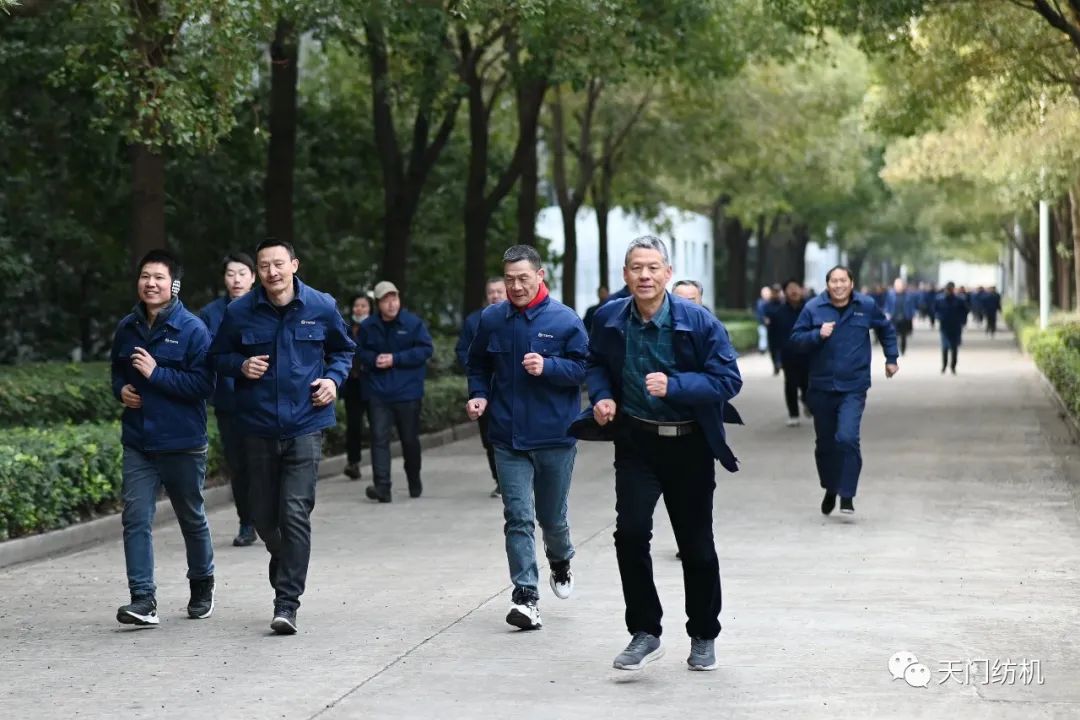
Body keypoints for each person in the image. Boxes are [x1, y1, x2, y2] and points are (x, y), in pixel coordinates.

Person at [587, 235, 743, 673]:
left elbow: (728, 379)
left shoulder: (698, 321)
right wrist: (602, 396)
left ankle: (703, 634)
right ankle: (645, 631)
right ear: (625, 274)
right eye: (637, 268)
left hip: (689, 444)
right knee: (631, 534)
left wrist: (675, 386)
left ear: (668, 273)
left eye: (653, 268)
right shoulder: (609, 318)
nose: (645, 276)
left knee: (696, 546)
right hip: (637, 441)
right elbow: (594, 362)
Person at [210, 238, 355, 635]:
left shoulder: (321, 305)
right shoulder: (240, 312)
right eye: (264, 266)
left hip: (306, 423)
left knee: (294, 513)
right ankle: (286, 557)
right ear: (258, 271)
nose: (272, 272)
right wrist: (241, 365)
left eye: (279, 264)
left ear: (294, 265)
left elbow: (344, 351)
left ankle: (286, 603)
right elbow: (217, 356)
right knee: (263, 517)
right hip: (256, 426)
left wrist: (333, 380)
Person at [465, 245, 588, 631]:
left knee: (551, 518)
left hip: (555, 436)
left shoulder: (565, 320)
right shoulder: (492, 319)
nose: (516, 286)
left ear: (540, 275)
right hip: (507, 437)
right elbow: (477, 363)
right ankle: (526, 596)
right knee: (517, 517)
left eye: (523, 278)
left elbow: (585, 369)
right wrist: (479, 394)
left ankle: (561, 559)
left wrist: (549, 366)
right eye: (509, 279)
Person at [110, 249, 216, 626]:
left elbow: (204, 385)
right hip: (138, 441)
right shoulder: (127, 327)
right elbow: (117, 372)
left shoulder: (192, 329)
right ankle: (143, 599)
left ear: (173, 285)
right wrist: (121, 390)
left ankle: (202, 584)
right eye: (145, 277)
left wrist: (157, 374)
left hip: (182, 441)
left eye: (158, 277)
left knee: (191, 516)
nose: (150, 284)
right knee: (135, 518)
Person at [790, 266, 898, 517]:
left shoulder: (866, 305)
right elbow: (795, 340)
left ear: (851, 283)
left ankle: (847, 493)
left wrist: (891, 358)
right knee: (825, 444)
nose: (838, 285)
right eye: (834, 281)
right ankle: (831, 487)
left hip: (854, 386)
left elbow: (886, 329)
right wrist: (817, 334)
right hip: (821, 386)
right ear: (827, 285)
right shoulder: (813, 308)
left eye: (843, 281)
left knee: (847, 438)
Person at [199, 251, 258, 547]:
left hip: (264, 400)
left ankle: (274, 518)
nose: (236, 279)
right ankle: (247, 522)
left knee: (268, 463)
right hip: (229, 402)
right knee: (239, 465)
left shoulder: (266, 307)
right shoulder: (210, 314)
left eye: (242, 273)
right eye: (231, 273)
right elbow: (206, 355)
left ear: (253, 277)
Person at [357, 280, 434, 503]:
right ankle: (382, 487)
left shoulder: (412, 323)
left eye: (394, 298)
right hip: (378, 392)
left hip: (407, 392)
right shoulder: (368, 326)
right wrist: (374, 359)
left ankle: (414, 479)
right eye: (386, 300)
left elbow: (426, 349)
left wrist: (396, 359)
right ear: (377, 303)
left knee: (409, 440)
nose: (391, 304)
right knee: (378, 439)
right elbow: (358, 351)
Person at [456, 277, 507, 497]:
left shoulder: (516, 316)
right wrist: (475, 368)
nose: (495, 295)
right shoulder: (474, 320)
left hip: (510, 387)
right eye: (491, 292)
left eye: (499, 291)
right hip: (484, 389)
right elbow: (462, 350)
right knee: (489, 438)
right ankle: (500, 480)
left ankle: (517, 478)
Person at [766, 279, 810, 427]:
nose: (794, 291)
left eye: (796, 287)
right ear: (785, 292)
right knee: (791, 384)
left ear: (801, 290)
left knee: (808, 384)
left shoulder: (810, 310)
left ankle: (807, 401)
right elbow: (772, 338)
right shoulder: (778, 313)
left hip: (808, 354)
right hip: (788, 355)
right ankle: (793, 414)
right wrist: (775, 360)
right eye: (790, 288)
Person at [342, 293, 372, 481]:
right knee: (353, 425)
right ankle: (353, 462)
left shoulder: (376, 327)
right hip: (352, 384)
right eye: (356, 305)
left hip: (372, 383)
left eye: (363, 306)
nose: (359, 309)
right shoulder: (346, 327)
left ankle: (380, 463)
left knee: (376, 425)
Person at [935, 282, 968, 374]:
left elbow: (965, 311)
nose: (949, 291)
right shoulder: (940, 299)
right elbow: (935, 310)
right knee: (945, 347)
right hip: (944, 326)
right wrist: (939, 317)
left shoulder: (959, 300)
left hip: (955, 326)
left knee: (954, 347)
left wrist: (962, 321)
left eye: (950, 289)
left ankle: (953, 366)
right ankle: (944, 365)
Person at [883, 278, 918, 356]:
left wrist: (913, 316)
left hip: (904, 318)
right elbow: (887, 305)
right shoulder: (890, 295)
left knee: (903, 335)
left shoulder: (908, 295)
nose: (898, 287)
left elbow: (912, 306)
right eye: (896, 285)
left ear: (903, 286)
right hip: (893, 318)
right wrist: (887, 313)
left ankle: (903, 349)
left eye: (900, 285)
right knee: (893, 335)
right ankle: (894, 350)